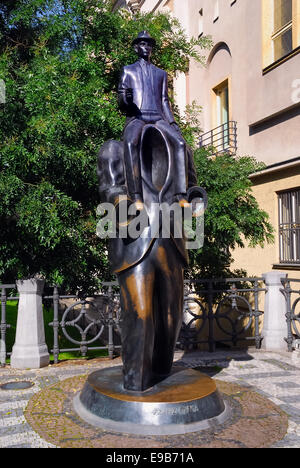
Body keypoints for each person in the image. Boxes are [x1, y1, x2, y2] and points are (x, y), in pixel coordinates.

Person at [118, 31, 189, 210]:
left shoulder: (161, 74)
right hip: (137, 117)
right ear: (136, 47)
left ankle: (181, 194)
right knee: (130, 144)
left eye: (149, 44)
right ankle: (136, 196)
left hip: (158, 117)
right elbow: (122, 103)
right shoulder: (128, 70)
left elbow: (165, 101)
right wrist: (125, 98)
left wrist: (172, 122)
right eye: (143, 44)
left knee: (180, 143)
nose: (146, 47)